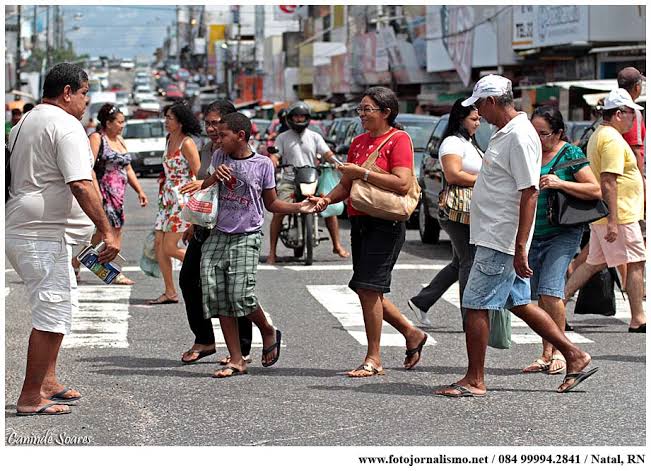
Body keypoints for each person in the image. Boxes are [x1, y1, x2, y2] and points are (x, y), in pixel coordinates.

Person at [433, 75, 597, 397]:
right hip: (496, 235)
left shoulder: (519, 136)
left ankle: (475, 379)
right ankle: (575, 355)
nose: (478, 113)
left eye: (480, 105)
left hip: (501, 238)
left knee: (476, 305)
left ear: (492, 102)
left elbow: (530, 192)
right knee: (518, 302)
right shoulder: (505, 132)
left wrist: (521, 245)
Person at [5, 62, 120, 416]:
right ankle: (29, 397)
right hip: (40, 234)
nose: (87, 101)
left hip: (34, 230)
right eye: (84, 93)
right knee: (52, 311)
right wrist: (106, 229)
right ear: (67, 92)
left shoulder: (26, 121)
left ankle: (48, 381)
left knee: (61, 305)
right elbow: (81, 183)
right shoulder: (65, 125)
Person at [311, 87, 428, 377]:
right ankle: (411, 333)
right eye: (360, 110)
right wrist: (326, 199)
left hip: (385, 223)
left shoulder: (399, 139)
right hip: (361, 220)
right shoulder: (359, 142)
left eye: (367, 110)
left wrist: (362, 172)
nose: (362, 115)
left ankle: (373, 358)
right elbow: (348, 186)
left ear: (386, 112)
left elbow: (402, 183)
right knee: (365, 288)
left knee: (369, 287)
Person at [199, 112, 316, 378]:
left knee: (241, 295)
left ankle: (267, 330)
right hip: (217, 232)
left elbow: (272, 204)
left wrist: (300, 207)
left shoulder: (263, 164)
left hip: (246, 235)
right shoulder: (219, 157)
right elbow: (204, 189)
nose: (219, 138)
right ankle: (236, 359)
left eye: (224, 134)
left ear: (240, 136)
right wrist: (214, 176)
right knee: (217, 296)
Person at [521, 106, 601, 375]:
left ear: (557, 133)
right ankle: (547, 352)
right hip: (535, 232)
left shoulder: (571, 153)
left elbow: (594, 189)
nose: (537, 137)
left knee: (551, 292)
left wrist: (560, 183)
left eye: (542, 133)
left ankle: (561, 352)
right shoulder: (530, 152)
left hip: (563, 232)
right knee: (539, 296)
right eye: (533, 132)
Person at [565, 89, 646, 333]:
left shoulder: (604, 134)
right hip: (619, 214)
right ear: (619, 114)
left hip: (613, 214)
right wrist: (612, 219)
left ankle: (556, 303)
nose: (635, 119)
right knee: (636, 261)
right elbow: (608, 181)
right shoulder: (610, 139)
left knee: (593, 262)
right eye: (632, 113)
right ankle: (638, 318)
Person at [179, 100, 253, 365]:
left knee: (234, 289)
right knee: (189, 280)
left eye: (215, 124)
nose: (210, 129)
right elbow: (206, 190)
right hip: (206, 225)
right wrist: (193, 222)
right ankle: (205, 339)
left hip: (231, 229)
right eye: (207, 123)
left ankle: (244, 348)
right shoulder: (210, 149)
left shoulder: (235, 150)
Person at [408, 98, 483, 326]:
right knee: (469, 261)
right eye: (473, 119)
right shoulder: (452, 142)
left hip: (469, 210)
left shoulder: (469, 142)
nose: (478, 123)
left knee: (459, 262)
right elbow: (452, 175)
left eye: (479, 118)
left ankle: (422, 300)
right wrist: (485, 181)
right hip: (457, 210)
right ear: (460, 119)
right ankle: (469, 320)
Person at [71, 103, 149, 285]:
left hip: (119, 194)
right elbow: (88, 167)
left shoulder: (121, 141)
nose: (122, 125)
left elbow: (127, 168)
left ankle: (76, 261)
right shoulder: (98, 138)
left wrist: (140, 191)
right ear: (108, 122)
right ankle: (115, 272)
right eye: (119, 122)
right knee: (112, 230)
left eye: (123, 122)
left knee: (106, 232)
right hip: (103, 191)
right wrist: (96, 193)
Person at [267, 101, 349, 263]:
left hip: (312, 178)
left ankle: (337, 245)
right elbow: (275, 155)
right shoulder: (282, 137)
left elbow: (327, 153)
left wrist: (338, 164)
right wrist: (273, 160)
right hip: (290, 179)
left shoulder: (315, 136)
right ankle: (272, 252)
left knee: (328, 206)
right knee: (279, 212)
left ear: (307, 118)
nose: (299, 119)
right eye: (296, 116)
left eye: (302, 116)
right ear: (290, 118)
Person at [148, 102, 202, 304]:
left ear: (180, 121)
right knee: (159, 246)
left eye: (169, 117)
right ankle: (169, 291)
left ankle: (202, 266)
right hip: (166, 199)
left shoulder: (187, 143)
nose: (166, 121)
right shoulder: (169, 139)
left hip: (182, 199)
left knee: (170, 247)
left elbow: (198, 174)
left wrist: (196, 202)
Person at [617, 67, 646, 181]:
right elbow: (636, 151)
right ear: (637, 87)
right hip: (629, 176)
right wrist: (641, 183)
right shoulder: (632, 112)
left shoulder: (613, 109)